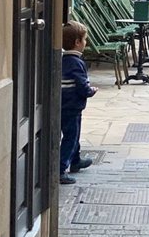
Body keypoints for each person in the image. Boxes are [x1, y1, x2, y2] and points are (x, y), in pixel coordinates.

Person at [60, 21, 98, 185]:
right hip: (72, 106)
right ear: (77, 42)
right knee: (71, 137)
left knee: (72, 135)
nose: (85, 43)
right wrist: (90, 91)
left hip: (62, 104)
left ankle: (75, 160)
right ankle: (61, 168)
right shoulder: (77, 63)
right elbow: (82, 86)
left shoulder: (62, 60)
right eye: (84, 40)